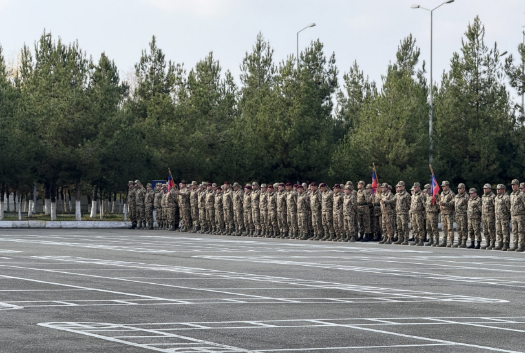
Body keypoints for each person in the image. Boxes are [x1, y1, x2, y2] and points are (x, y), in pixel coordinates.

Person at [509, 179, 525, 252]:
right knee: (514, 231)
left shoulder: (521, 194)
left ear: (517, 185)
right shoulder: (511, 194)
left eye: (514, 185)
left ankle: (521, 245)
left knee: (520, 231)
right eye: (512, 185)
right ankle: (515, 245)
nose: (513, 186)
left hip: (520, 215)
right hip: (513, 215)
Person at [494, 184, 511, 250]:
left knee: (505, 231)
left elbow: (509, 207)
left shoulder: (506, 197)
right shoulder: (496, 198)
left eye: (499, 189)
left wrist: (509, 216)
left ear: (503, 190)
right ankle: (500, 244)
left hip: (504, 217)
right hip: (498, 217)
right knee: (499, 231)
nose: (497, 191)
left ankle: (506, 244)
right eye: (497, 189)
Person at [439, 181, 456, 247]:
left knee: (450, 228)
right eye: (442, 186)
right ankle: (444, 241)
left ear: (447, 186)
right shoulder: (442, 193)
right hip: (443, 213)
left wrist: (444, 203)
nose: (442, 187)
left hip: (449, 213)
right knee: (443, 228)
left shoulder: (451, 194)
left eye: (444, 186)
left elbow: (452, 203)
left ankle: (451, 241)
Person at [394, 181, 411, 245]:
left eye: (400, 186)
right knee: (399, 227)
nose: (398, 188)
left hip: (404, 213)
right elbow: (393, 200)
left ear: (403, 187)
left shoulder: (406, 195)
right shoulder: (397, 194)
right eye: (398, 187)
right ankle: (400, 239)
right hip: (398, 213)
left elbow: (409, 204)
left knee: (404, 227)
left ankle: (406, 239)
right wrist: (385, 201)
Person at [454, 183, 470, 248]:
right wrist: (443, 203)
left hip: (463, 215)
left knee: (463, 229)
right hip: (457, 215)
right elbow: (452, 203)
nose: (459, 190)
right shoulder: (456, 196)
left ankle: (464, 242)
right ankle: (459, 241)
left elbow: (469, 206)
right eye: (458, 188)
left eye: (460, 188)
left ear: (463, 189)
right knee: (459, 229)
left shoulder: (466, 197)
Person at [481, 184, 496, 249]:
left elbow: (495, 206)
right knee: (485, 230)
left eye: (486, 188)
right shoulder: (483, 196)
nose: (484, 190)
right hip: (484, 216)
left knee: (491, 230)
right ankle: (487, 243)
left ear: (489, 189)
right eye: (484, 188)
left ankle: (492, 243)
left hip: (490, 216)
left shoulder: (493, 196)